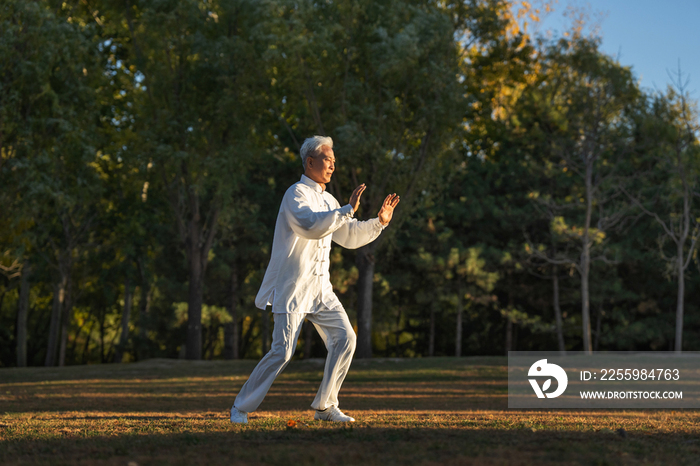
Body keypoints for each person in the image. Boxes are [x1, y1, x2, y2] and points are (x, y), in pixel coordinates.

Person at [230, 135, 400, 424]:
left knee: (346, 338)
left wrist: (379, 223)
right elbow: (310, 225)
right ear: (310, 162)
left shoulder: (329, 199)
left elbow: (347, 236)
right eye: (327, 160)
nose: (333, 165)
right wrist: (346, 210)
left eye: (334, 161)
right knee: (282, 352)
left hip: (321, 290)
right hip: (293, 287)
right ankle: (241, 408)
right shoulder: (295, 194)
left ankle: (325, 406)